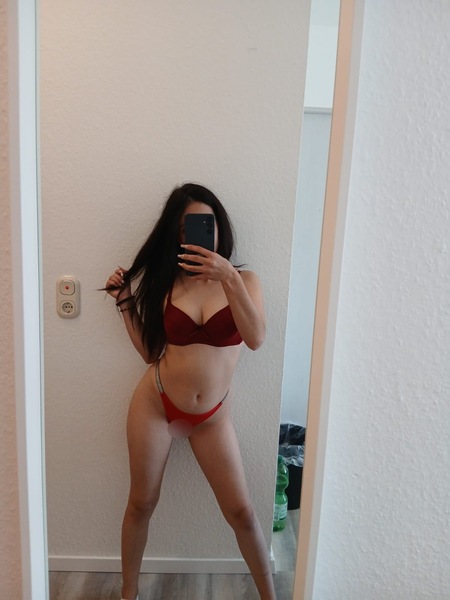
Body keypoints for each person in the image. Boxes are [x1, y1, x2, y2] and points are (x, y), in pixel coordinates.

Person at [105, 183, 276, 600]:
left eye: (205, 223)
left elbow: (256, 338)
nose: (198, 234)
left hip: (211, 418)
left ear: (219, 227)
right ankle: (129, 593)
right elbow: (150, 353)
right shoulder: (167, 282)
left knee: (242, 512)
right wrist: (125, 302)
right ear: (176, 235)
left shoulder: (245, 280)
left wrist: (228, 276)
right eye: (186, 228)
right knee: (141, 503)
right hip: (156, 404)